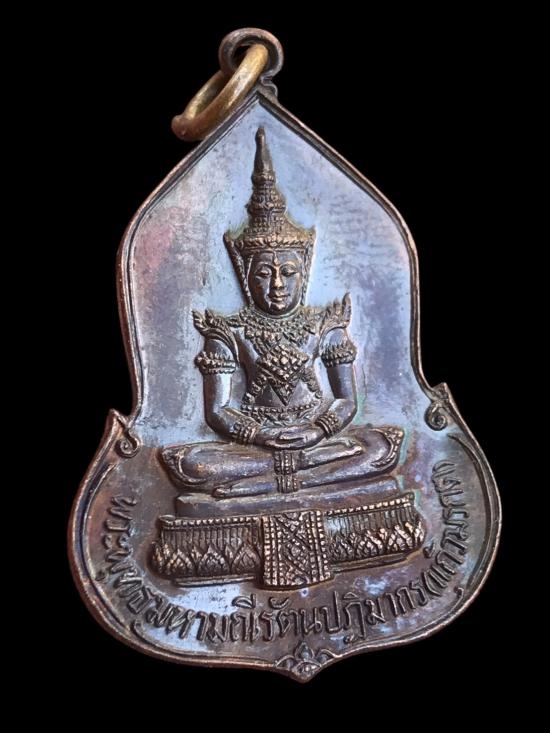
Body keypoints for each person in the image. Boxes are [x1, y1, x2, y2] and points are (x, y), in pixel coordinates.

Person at [161, 127, 403, 498]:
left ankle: (271, 483)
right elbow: (217, 411)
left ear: (303, 273)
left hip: (318, 441)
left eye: (287, 272)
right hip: (256, 447)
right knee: (193, 463)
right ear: (245, 278)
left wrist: (317, 430)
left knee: (378, 445)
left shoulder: (325, 324)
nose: (277, 284)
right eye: (263, 273)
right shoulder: (227, 331)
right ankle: (305, 477)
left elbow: (346, 401)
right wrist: (262, 436)